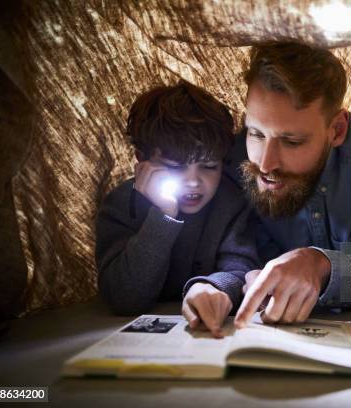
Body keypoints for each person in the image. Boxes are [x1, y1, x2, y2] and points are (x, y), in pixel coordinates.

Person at [224, 41, 351, 328]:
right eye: (256, 134)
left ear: (337, 130)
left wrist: (318, 263)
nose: (265, 163)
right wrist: (245, 275)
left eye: (292, 141)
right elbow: (231, 255)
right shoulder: (229, 156)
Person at [95, 81, 258, 337]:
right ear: (141, 160)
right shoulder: (120, 205)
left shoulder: (229, 202)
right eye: (174, 167)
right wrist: (163, 215)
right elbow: (124, 298)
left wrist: (212, 287)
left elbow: (241, 269)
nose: (193, 181)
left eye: (209, 166)